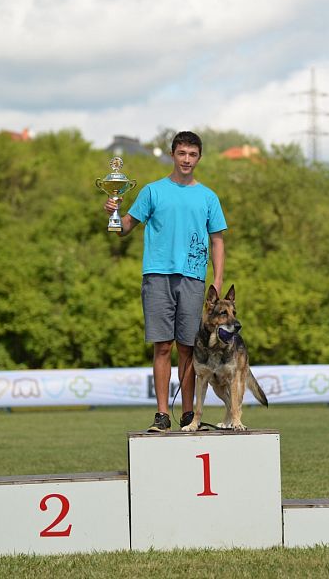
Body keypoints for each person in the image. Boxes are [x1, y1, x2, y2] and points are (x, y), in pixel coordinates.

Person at [103, 131, 227, 432]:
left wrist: (218, 280)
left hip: (193, 278)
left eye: (192, 154)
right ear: (173, 154)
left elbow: (218, 240)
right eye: (182, 153)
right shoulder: (152, 191)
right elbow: (125, 229)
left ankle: (188, 415)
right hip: (157, 275)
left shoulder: (208, 196)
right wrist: (114, 212)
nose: (187, 159)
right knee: (162, 346)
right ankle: (161, 414)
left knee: (187, 347)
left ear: (198, 157)